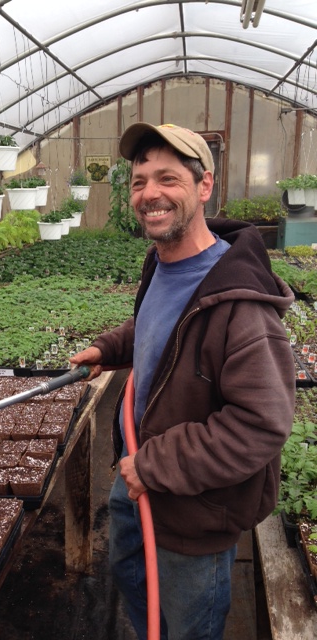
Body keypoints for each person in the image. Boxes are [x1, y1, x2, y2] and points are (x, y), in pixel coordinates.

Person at [70, 123, 296, 640]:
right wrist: (111, 347)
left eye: (167, 179)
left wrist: (153, 465)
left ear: (204, 185)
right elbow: (160, 327)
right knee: (135, 586)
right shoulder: (163, 263)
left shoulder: (241, 305)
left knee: (187, 624)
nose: (149, 193)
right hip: (137, 477)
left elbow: (260, 424)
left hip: (194, 508)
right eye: (139, 181)